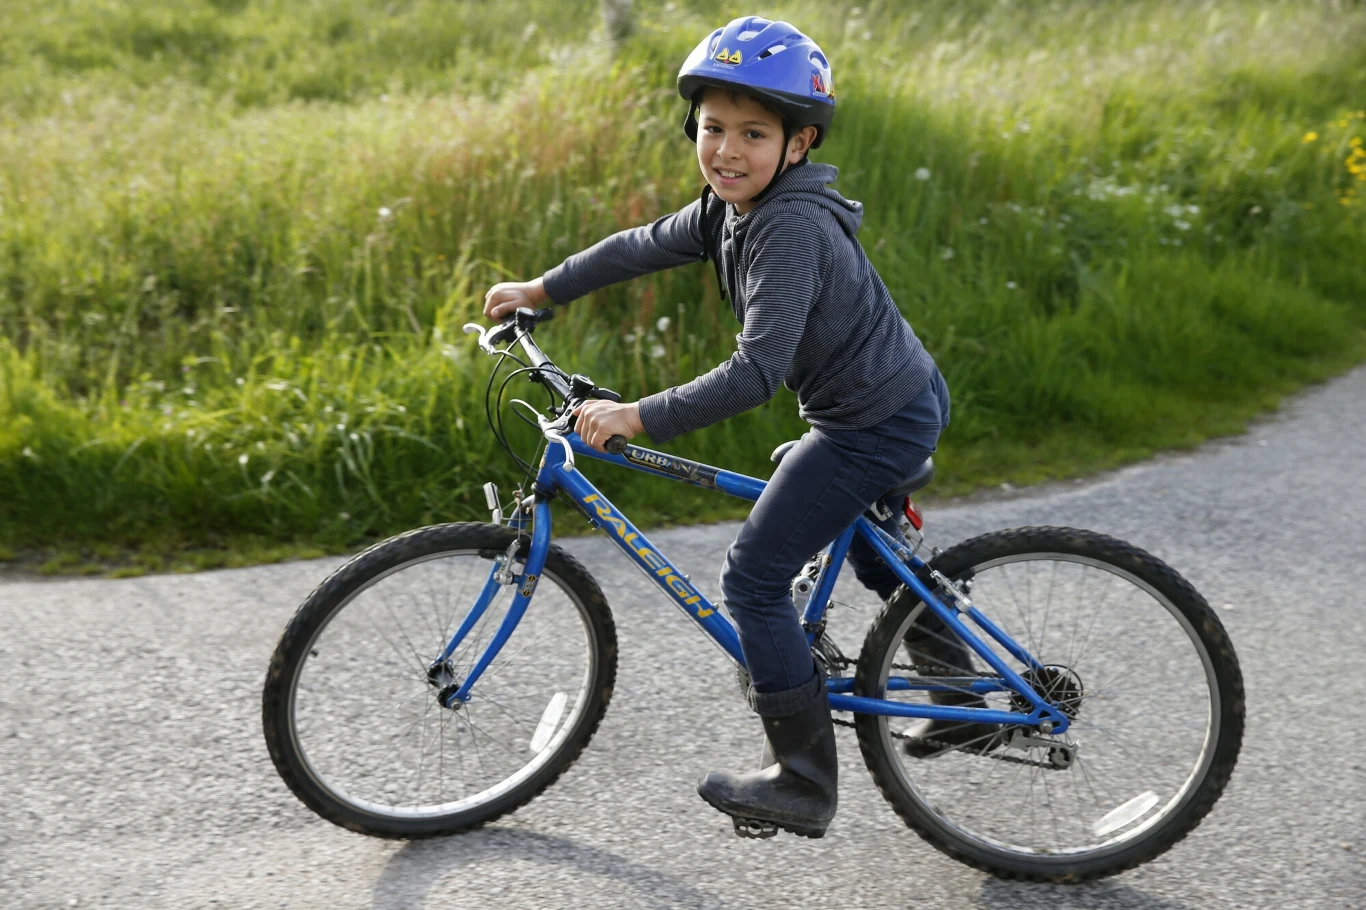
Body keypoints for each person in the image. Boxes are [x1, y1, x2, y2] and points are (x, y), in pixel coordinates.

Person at [483, 15, 986, 839]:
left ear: (799, 144)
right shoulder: (730, 211)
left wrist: (634, 415)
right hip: (883, 404)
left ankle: (803, 780)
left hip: (877, 422)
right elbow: (639, 246)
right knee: (855, 528)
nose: (727, 150)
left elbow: (755, 374)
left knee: (753, 575)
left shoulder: (786, 228)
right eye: (713, 128)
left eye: (754, 133)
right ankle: (960, 696)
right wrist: (544, 288)